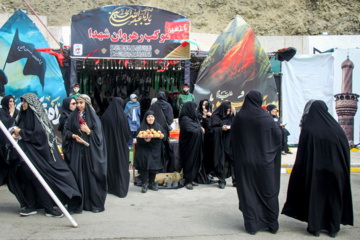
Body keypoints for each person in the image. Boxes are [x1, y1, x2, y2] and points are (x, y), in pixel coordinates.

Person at [282, 100, 353, 238]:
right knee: (334, 198)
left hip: (315, 171)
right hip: (335, 171)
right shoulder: (336, 128)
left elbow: (303, 154)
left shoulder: (309, 128)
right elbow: (345, 150)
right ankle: (333, 228)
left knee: (316, 198)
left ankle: (315, 228)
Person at [9, 93, 81, 217]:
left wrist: (22, 132)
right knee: (27, 180)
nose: (23, 104)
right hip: (25, 155)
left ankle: (48, 208)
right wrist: (18, 134)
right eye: (22, 102)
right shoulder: (23, 116)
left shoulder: (38, 118)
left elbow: (39, 135)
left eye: (25, 102)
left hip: (38, 156)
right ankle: (31, 206)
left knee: (39, 180)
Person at [231, 90, 282, 235]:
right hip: (264, 162)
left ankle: (252, 225)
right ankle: (272, 224)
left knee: (248, 192)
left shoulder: (240, 117)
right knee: (268, 192)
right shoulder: (265, 117)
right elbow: (278, 136)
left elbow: (233, 139)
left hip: (245, 162)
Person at [63, 94, 107, 213]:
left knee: (90, 177)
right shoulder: (72, 116)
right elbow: (65, 130)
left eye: (81, 103)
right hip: (77, 151)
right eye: (77, 103)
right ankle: (77, 204)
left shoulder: (94, 118)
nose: (78, 105)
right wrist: (72, 135)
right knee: (77, 176)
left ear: (86, 104)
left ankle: (94, 204)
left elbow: (99, 137)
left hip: (90, 152)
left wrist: (89, 132)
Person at [101, 97, 131, 198]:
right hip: (121, 147)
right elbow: (127, 133)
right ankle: (121, 188)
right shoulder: (122, 117)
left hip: (108, 147)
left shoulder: (105, 116)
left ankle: (110, 187)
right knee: (121, 166)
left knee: (110, 166)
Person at [134, 111, 165, 193]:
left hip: (155, 150)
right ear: (145, 118)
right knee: (145, 166)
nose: (150, 118)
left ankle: (151, 183)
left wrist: (162, 137)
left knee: (154, 167)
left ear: (154, 118)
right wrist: (145, 140)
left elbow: (163, 135)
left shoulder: (158, 126)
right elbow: (138, 139)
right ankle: (144, 184)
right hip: (145, 150)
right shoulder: (142, 127)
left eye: (152, 117)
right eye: (148, 117)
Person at [209, 101, 235, 189]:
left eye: (229, 111)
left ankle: (235, 180)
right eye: (227, 111)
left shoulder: (231, 117)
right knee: (221, 161)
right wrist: (220, 129)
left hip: (230, 142)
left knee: (233, 161)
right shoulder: (215, 117)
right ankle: (222, 180)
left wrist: (234, 114)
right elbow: (211, 130)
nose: (228, 113)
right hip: (219, 142)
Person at [179, 102, 204, 190]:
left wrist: (199, 129)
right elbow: (191, 130)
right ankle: (187, 181)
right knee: (188, 162)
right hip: (187, 146)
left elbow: (197, 128)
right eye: (194, 109)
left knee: (195, 162)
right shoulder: (184, 119)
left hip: (195, 145)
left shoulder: (194, 118)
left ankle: (192, 179)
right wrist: (200, 129)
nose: (195, 111)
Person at [149, 91, 174, 171]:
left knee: (155, 149)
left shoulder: (153, 106)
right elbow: (170, 120)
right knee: (164, 149)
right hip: (164, 131)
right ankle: (164, 167)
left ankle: (155, 168)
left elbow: (149, 117)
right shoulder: (168, 106)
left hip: (155, 130)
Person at [0, 95, 18, 186]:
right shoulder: (1, 112)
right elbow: (6, 127)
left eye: (13, 102)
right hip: (3, 144)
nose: (12, 104)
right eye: (10, 102)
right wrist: (10, 114)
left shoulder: (17, 112)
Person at [195, 99, 213, 184]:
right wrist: (204, 116)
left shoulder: (211, 114)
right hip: (200, 137)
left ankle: (208, 172)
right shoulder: (198, 114)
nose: (205, 107)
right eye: (203, 105)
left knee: (209, 154)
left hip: (209, 137)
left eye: (206, 105)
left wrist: (210, 115)